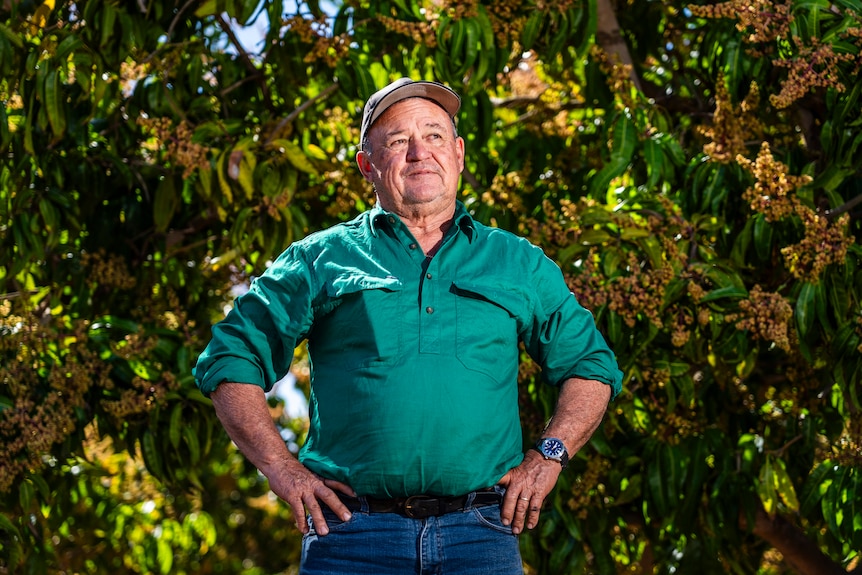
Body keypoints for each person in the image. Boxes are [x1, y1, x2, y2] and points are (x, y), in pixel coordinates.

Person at [194, 77, 623, 574]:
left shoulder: (517, 260)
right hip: (352, 538)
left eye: (435, 136)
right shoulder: (321, 257)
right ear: (367, 165)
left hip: (480, 537)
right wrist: (283, 471)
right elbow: (230, 360)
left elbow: (590, 366)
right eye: (398, 142)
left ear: (459, 153)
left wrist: (549, 455)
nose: (420, 153)